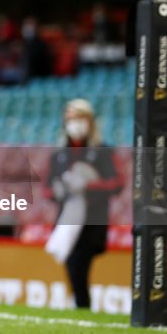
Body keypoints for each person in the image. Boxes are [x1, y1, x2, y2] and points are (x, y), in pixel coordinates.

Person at [44, 99, 123, 309]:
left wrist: (88, 186)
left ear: (89, 121)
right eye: (70, 119)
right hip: (67, 221)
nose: (74, 123)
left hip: (91, 221)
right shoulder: (59, 154)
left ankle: (82, 306)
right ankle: (81, 306)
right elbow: (47, 188)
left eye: (79, 118)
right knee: (73, 266)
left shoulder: (102, 151)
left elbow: (117, 183)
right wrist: (58, 190)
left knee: (79, 264)